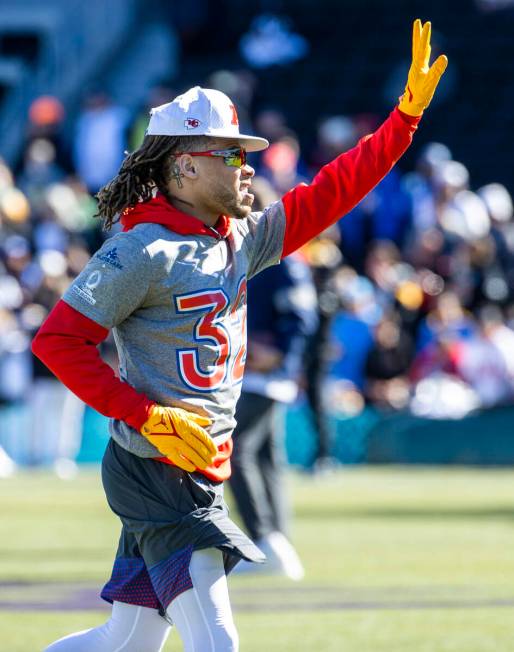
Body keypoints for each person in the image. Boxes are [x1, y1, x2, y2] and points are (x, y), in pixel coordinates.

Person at [32, 19, 446, 652]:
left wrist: (403, 122)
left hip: (196, 467)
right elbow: (57, 342)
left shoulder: (239, 238)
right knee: (217, 642)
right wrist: (143, 415)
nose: (245, 167)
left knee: (127, 643)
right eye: (231, 154)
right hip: (158, 471)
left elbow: (333, 191)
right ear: (185, 166)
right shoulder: (140, 249)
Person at [229, 182, 317, 580]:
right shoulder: (246, 252)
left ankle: (265, 540)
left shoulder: (281, 258)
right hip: (252, 373)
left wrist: (281, 356)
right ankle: (277, 542)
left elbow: (301, 319)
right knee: (267, 459)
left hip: (265, 377)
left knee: (237, 452)